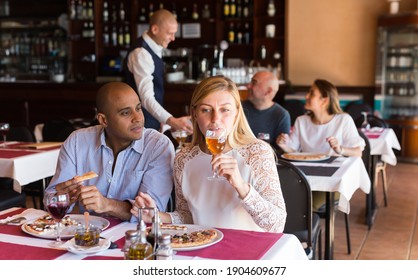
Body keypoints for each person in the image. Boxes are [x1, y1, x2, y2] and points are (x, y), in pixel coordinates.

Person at [131, 76, 287, 233]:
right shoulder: (183, 158)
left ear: (237, 113)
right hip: (203, 249)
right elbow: (188, 217)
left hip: (248, 250)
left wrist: (241, 186)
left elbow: (277, 225)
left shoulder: (257, 153)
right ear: (195, 114)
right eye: (206, 110)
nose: (215, 119)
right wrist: (155, 215)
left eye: (225, 110)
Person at [45, 82, 175, 222]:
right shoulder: (77, 142)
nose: (138, 118)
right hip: (89, 236)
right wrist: (64, 198)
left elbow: (151, 212)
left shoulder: (158, 146)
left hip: (138, 238)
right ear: (103, 120)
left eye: (138, 108)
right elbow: (50, 200)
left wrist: (107, 205)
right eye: (125, 113)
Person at [277, 79, 365, 209]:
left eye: (311, 93)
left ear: (324, 100)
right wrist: (284, 146)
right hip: (304, 178)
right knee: (283, 200)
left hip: (331, 184)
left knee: (303, 207)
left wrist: (340, 149)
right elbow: (293, 152)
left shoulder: (343, 120)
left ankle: (311, 229)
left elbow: (358, 152)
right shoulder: (302, 121)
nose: (306, 96)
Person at [124, 8, 193, 134]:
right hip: (139, 125)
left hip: (150, 122)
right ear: (155, 29)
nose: (173, 38)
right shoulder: (141, 54)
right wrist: (172, 121)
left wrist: (163, 121)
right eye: (169, 33)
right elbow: (146, 98)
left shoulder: (153, 48)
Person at [242, 70, 291, 151]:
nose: (248, 86)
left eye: (254, 83)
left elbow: (280, 151)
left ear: (268, 91)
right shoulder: (239, 108)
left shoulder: (281, 115)